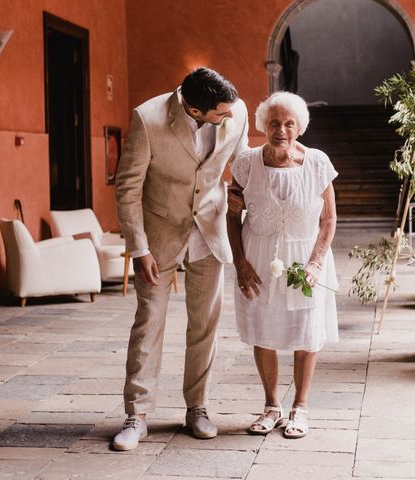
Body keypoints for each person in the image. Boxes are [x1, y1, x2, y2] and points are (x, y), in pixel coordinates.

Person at [113, 67, 249, 450]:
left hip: (210, 230)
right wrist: (138, 248)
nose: (230, 116)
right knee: (149, 322)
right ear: (194, 108)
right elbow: (128, 187)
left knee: (204, 323)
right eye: (221, 113)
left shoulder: (235, 111)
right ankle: (136, 416)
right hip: (159, 236)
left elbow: (241, 168)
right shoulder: (148, 117)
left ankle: (198, 408)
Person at [226, 91, 338, 439]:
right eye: (274, 123)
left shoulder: (318, 163)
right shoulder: (246, 164)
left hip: (306, 260)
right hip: (258, 258)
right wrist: (241, 263)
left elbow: (329, 220)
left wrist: (316, 262)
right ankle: (271, 406)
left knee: (306, 331)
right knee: (264, 330)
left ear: (300, 127)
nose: (282, 130)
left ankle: (300, 408)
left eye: (289, 123)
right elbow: (232, 217)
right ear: (263, 125)